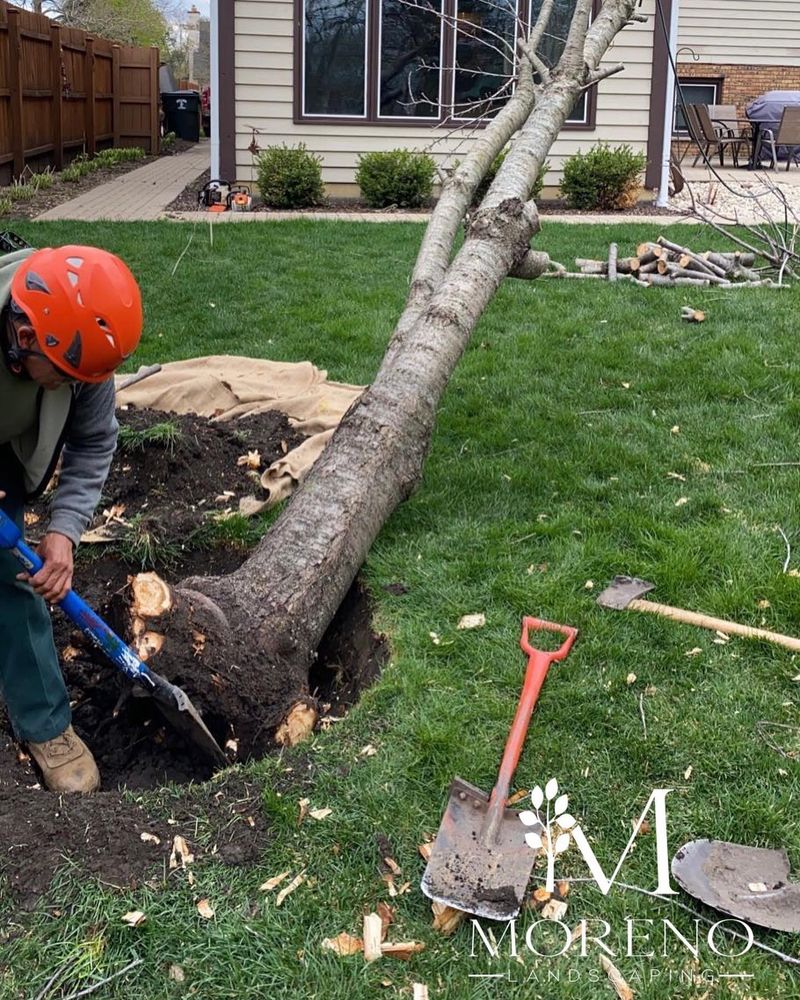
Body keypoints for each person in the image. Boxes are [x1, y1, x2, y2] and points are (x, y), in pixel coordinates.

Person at [0, 244, 142, 793]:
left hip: (7, 453)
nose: (75, 385)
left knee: (13, 583)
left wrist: (64, 530)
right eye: (64, 376)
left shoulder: (75, 330)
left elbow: (94, 438)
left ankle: (46, 724)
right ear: (26, 336)